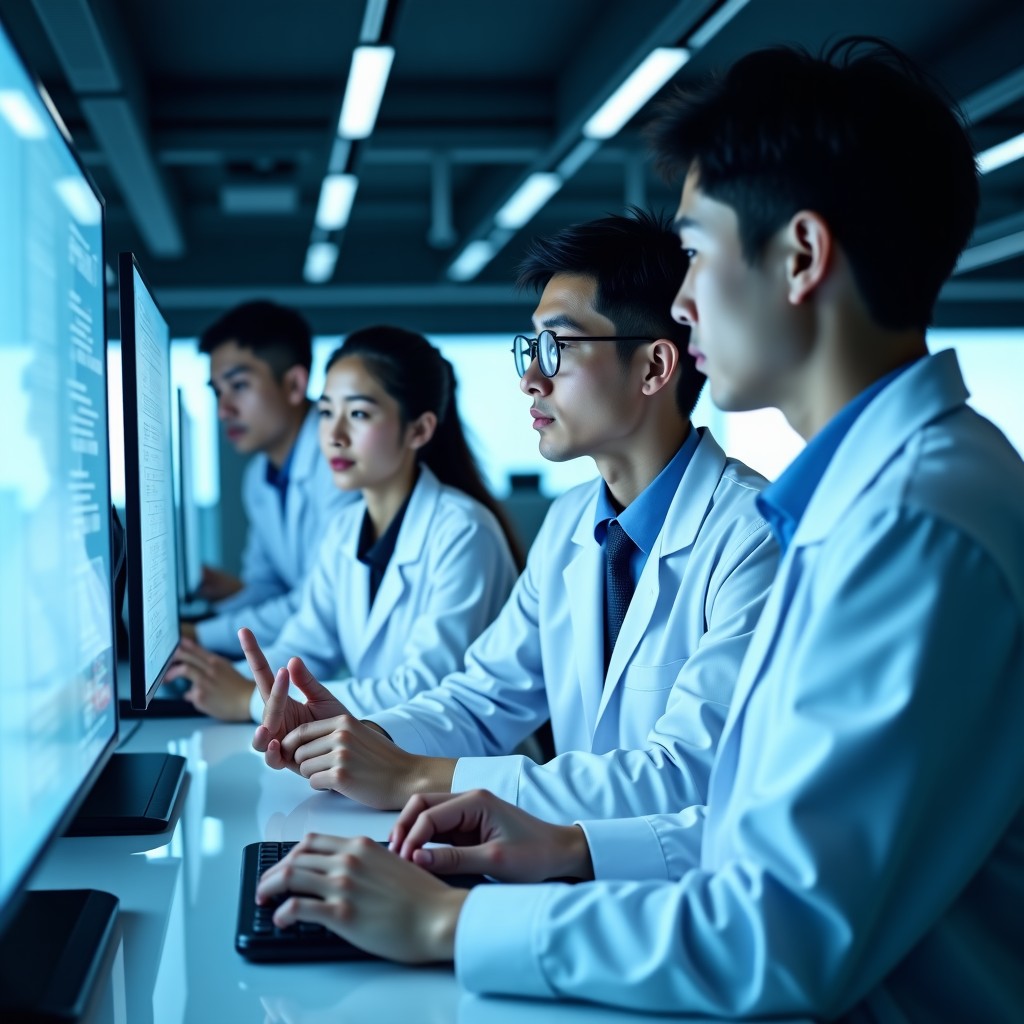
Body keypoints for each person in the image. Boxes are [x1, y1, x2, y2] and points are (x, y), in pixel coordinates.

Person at [251, 39, 1024, 1019]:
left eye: (695, 252)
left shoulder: (913, 525)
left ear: (799, 257)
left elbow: (777, 931)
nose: (684, 296)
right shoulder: (864, 501)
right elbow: (756, 828)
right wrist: (570, 846)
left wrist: (447, 924)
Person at [243, 209, 779, 821]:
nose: (530, 379)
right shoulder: (571, 522)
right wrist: (361, 738)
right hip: (566, 866)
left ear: (654, 367)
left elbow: (689, 776)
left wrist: (414, 775)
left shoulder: (750, 535)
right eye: (531, 346)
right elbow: (481, 700)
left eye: (558, 346)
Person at [168, 326, 521, 721]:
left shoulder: (463, 531)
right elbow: (305, 649)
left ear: (418, 430)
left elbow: (423, 688)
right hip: (391, 755)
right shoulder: (345, 529)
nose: (334, 435)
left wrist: (251, 701)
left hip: (466, 766)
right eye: (326, 412)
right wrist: (211, 680)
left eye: (358, 414)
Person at [180, 301, 356, 669]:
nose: (223, 410)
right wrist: (228, 597)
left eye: (239, 386)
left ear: (294, 384)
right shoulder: (259, 476)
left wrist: (199, 636)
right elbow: (270, 587)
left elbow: (316, 600)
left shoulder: (343, 463)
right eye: (217, 392)